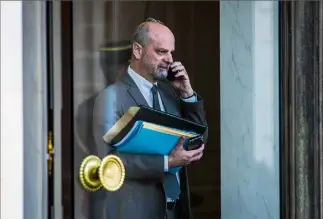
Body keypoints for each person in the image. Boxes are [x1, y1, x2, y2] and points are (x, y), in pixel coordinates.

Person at [92, 18, 208, 219]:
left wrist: (188, 95)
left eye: (171, 52)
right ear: (137, 51)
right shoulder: (111, 97)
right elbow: (109, 161)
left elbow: (198, 141)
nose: (170, 60)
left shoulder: (171, 92)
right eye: (162, 52)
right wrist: (166, 162)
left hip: (175, 211)